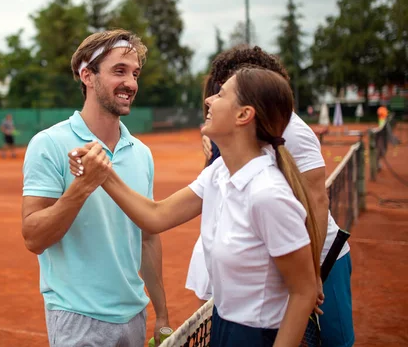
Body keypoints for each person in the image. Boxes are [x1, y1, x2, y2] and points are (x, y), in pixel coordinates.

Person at [71, 67, 320, 347]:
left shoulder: (268, 194)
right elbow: (155, 216)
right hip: (223, 326)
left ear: (243, 115)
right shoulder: (219, 173)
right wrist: (101, 171)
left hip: (260, 336)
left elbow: (304, 292)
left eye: (222, 94)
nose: (209, 100)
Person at [187, 46, 354, 347]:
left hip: (321, 254)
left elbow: (316, 201)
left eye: (224, 90)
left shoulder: (294, 132)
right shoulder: (234, 134)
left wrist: (313, 271)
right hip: (274, 252)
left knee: (334, 340)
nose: (213, 98)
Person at [21, 29, 169, 347]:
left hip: (135, 315)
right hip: (77, 320)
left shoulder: (141, 153)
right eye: (119, 71)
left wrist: (164, 317)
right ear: (87, 75)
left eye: (135, 73)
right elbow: (34, 236)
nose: (131, 83)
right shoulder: (48, 144)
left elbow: (147, 238)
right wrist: (81, 188)